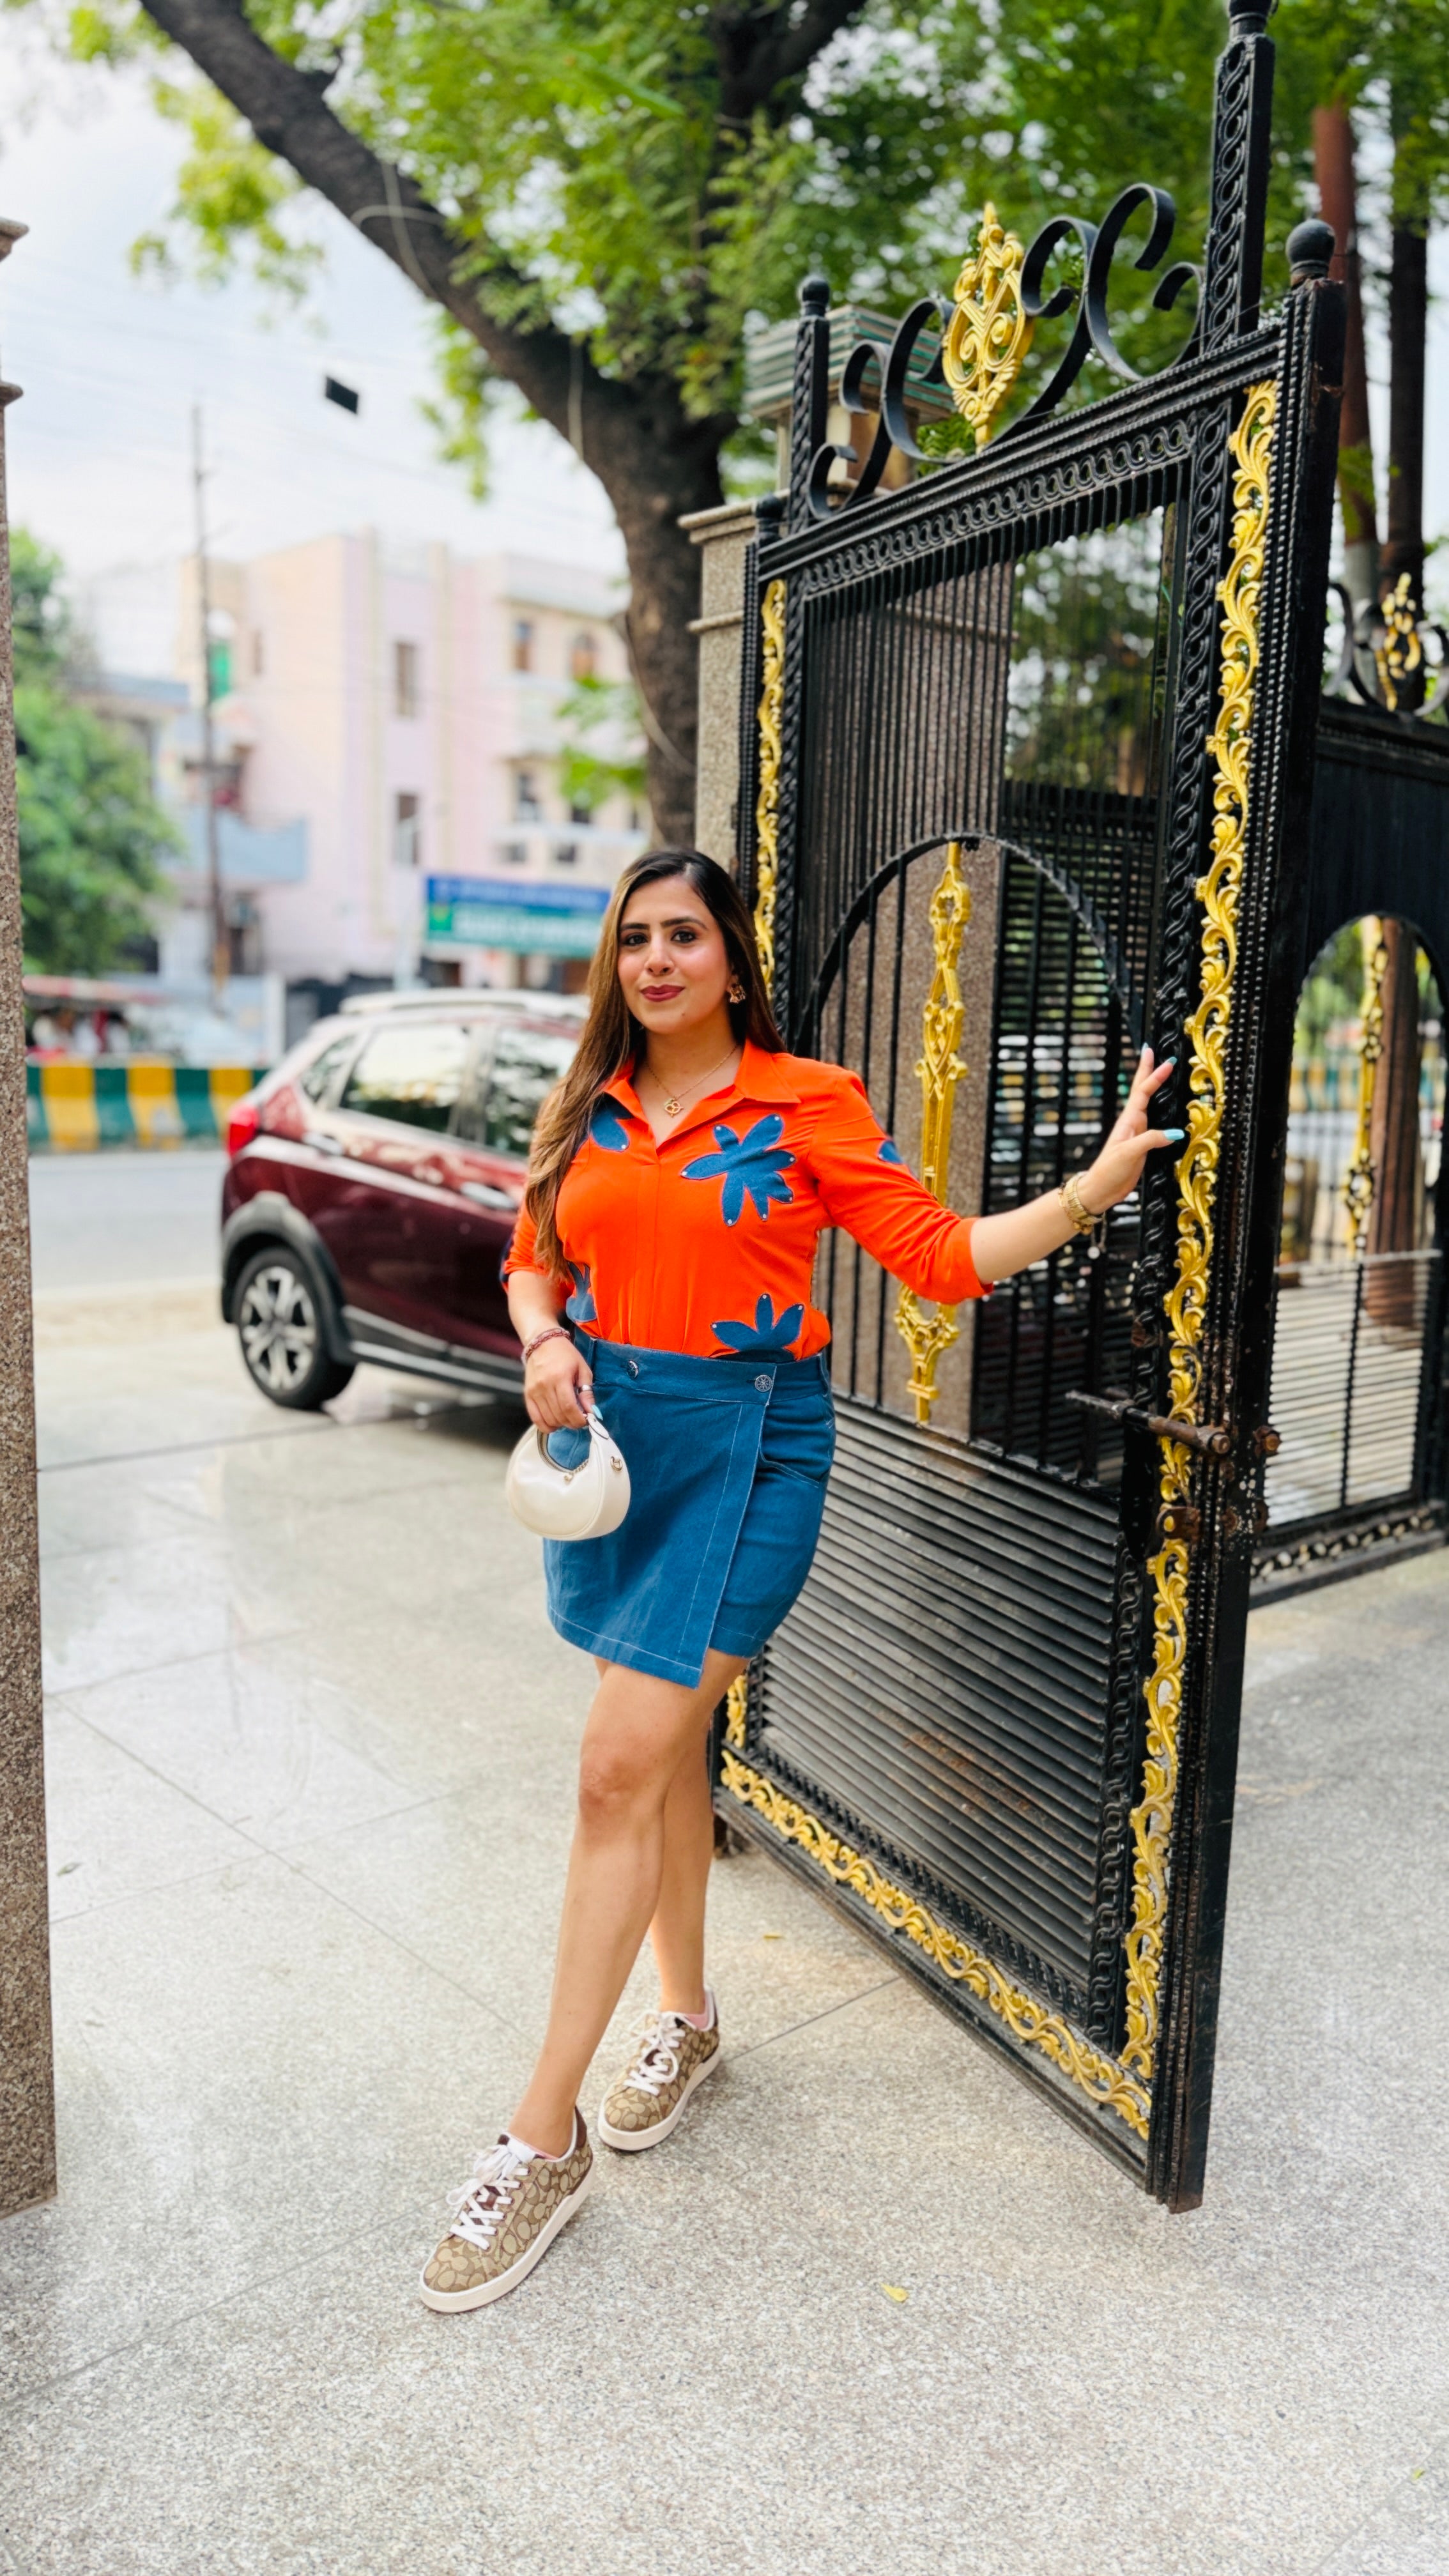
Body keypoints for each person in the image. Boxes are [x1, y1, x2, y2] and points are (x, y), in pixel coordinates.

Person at [420, 848, 1179, 2312]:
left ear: (731, 957)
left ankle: (541, 2137)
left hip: (752, 1451)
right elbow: (532, 1257)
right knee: (663, 1749)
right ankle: (689, 2018)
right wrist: (543, 1339)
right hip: (618, 1450)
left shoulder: (808, 1101)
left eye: (683, 935)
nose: (656, 960)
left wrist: (1093, 1188)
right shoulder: (589, 1102)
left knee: (614, 1767)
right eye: (634, 938)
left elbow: (941, 1259)